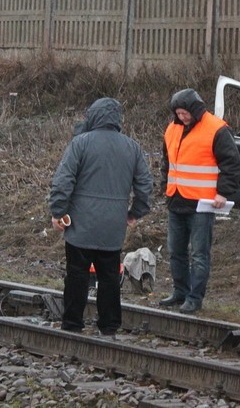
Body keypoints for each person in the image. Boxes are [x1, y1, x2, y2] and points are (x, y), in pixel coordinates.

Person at [49, 97, 152, 336]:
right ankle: (109, 325)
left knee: (76, 275)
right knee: (109, 277)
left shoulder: (81, 143)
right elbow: (145, 186)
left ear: (93, 116)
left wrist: (58, 211)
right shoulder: (132, 147)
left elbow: (63, 181)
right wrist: (134, 212)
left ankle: (73, 323)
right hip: (113, 226)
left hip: (80, 225)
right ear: (117, 119)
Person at [159, 89, 240, 314]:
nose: (182, 117)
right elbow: (167, 162)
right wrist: (163, 187)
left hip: (202, 204)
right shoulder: (172, 128)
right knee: (175, 250)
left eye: (185, 113)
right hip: (176, 199)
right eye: (178, 113)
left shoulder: (217, 129)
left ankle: (194, 298)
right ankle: (180, 292)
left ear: (195, 110)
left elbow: (232, 164)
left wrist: (222, 193)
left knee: (199, 254)